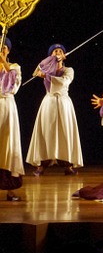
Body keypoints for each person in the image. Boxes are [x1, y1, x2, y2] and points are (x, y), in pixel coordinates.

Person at [26, 43, 83, 176]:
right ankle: (42, 164)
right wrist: (46, 66)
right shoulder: (46, 69)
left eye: (60, 51)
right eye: (54, 51)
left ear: (64, 55)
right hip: (49, 102)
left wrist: (45, 76)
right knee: (46, 131)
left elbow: (63, 82)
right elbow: (36, 71)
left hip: (64, 103)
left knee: (65, 131)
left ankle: (68, 164)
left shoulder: (69, 70)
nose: (57, 53)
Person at [0, 37, 25, 201]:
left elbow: (12, 85)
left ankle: (10, 189)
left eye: (3, 48)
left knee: (8, 144)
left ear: (8, 50)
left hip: (7, 106)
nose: (1, 50)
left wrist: (3, 62)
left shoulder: (15, 67)